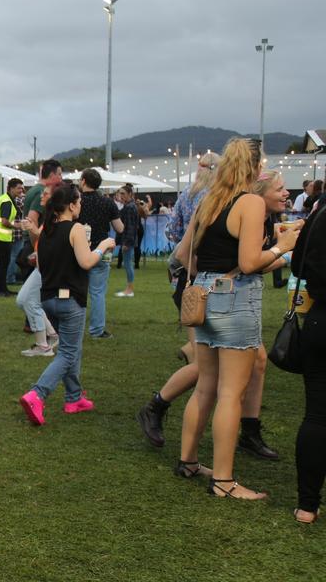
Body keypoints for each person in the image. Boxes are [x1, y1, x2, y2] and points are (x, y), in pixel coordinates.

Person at [173, 138, 299, 499]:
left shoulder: (209, 200)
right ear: (256, 168)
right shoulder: (250, 202)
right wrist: (282, 248)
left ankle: (189, 460)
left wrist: (208, 276)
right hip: (235, 299)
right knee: (231, 392)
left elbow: (184, 253)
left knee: (206, 386)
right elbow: (248, 263)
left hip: (203, 296)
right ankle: (225, 481)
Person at [137, 171, 292, 457]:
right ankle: (156, 406)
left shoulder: (247, 212)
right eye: (280, 188)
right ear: (258, 192)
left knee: (254, 361)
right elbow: (193, 257)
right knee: (211, 371)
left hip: (214, 293)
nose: (286, 193)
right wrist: (213, 280)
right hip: (210, 296)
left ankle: (248, 431)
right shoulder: (233, 208)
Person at [18, 183, 118, 425]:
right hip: (70, 299)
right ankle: (37, 394)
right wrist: (103, 245)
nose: (81, 205)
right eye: (79, 201)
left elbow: (40, 266)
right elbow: (86, 262)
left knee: (71, 349)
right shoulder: (76, 229)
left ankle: (74, 397)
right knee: (68, 352)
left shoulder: (45, 232)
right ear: (71, 205)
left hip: (49, 300)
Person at [139, 152, 220, 445]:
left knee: (205, 359)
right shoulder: (216, 198)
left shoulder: (188, 194)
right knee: (206, 365)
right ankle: (157, 406)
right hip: (201, 279)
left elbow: (173, 232)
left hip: (187, 278)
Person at [291, 197, 326, 523]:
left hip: (319, 320)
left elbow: (296, 264)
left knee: (317, 415)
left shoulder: (319, 216)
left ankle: (307, 505)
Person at [19, 160, 65, 356]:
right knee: (25, 300)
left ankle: (44, 345)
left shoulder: (56, 220)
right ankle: (52, 336)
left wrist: (33, 231)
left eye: (45, 194)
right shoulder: (52, 218)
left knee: (29, 300)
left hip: (48, 266)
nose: (42, 196)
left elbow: (50, 242)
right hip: (44, 264)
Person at [77, 170, 123, 340]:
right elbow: (120, 228)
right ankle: (97, 330)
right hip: (102, 251)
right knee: (97, 292)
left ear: (83, 181)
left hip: (79, 249)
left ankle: (72, 328)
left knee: (76, 291)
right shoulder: (107, 202)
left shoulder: (76, 201)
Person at [0, 178, 24, 297]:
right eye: (19, 187)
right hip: (0, 236)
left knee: (4, 263)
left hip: (0, 235)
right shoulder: (7, 201)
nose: (21, 190)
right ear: (11, 188)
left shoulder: (6, 198)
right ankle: (1, 290)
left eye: (21, 187)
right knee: (4, 263)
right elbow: (4, 221)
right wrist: (16, 226)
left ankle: (2, 289)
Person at [113, 186, 141, 297]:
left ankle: (129, 290)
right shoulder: (130, 206)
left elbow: (131, 227)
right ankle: (129, 288)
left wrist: (127, 242)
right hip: (128, 239)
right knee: (128, 264)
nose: (121, 195)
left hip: (128, 240)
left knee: (128, 264)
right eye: (120, 193)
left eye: (123, 193)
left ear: (130, 194)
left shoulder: (130, 207)